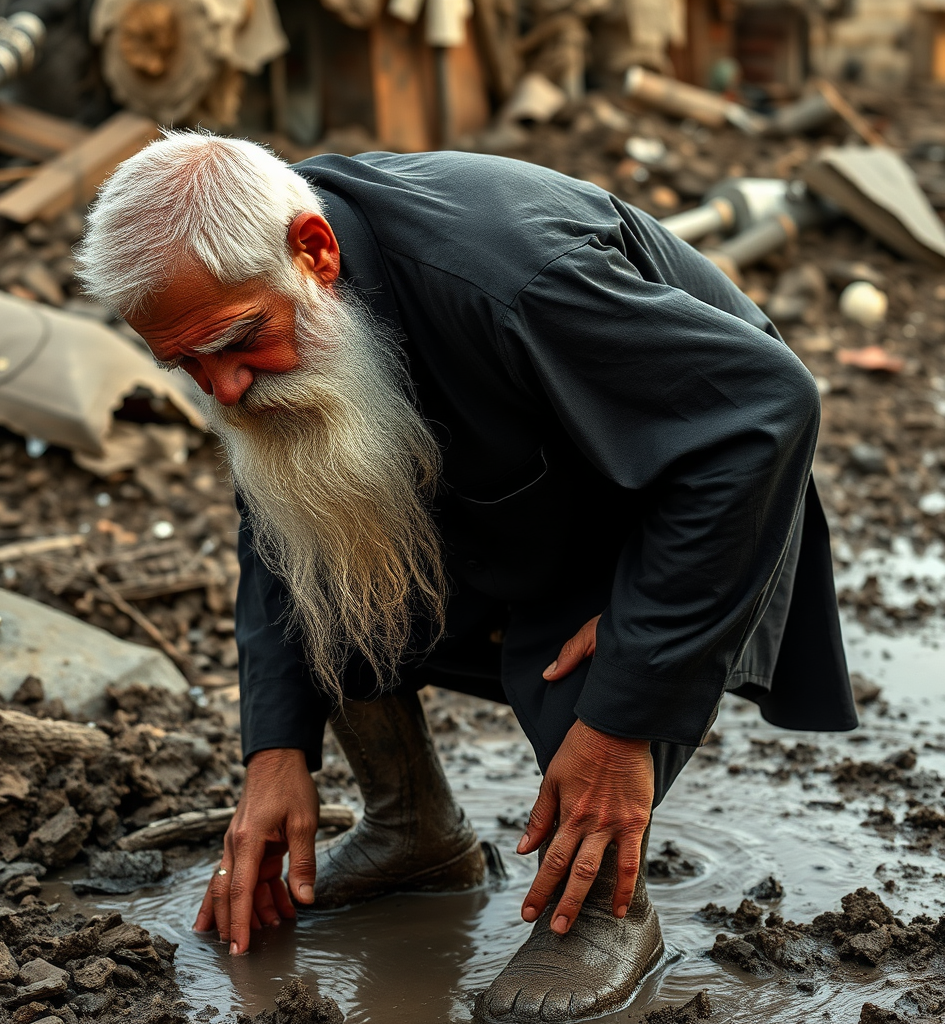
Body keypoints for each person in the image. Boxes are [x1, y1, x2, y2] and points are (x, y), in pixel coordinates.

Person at [77, 132, 857, 1024]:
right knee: (323, 534)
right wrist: (274, 753)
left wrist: (636, 689)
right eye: (186, 366)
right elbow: (277, 530)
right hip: (506, 498)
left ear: (315, 253)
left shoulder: (512, 275)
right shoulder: (270, 306)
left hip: (682, 503)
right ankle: (415, 831)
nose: (223, 391)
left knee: (604, 672)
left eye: (239, 341)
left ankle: (599, 911)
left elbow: (766, 412)